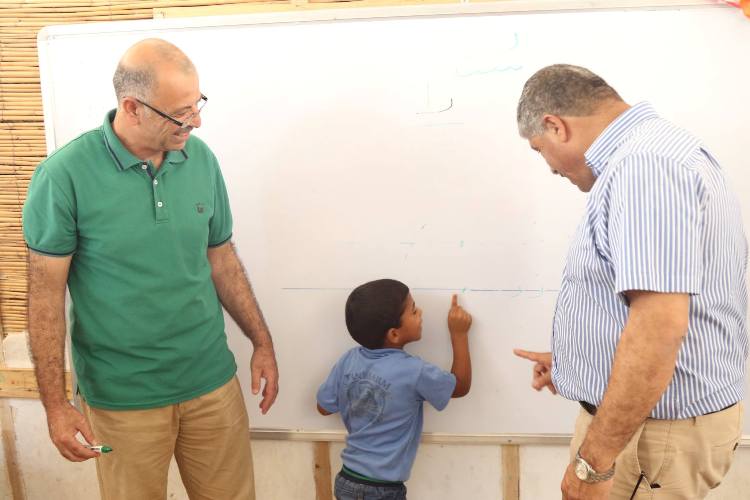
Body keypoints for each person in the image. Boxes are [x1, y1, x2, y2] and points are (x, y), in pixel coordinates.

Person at [22, 38, 278, 500]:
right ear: (132, 107)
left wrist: (262, 341)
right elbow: (45, 298)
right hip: (122, 401)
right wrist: (56, 406)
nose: (195, 121)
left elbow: (221, 259)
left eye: (197, 104)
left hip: (211, 382)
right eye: (180, 112)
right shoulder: (64, 176)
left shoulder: (201, 159)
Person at [513, 64, 748, 500]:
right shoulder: (659, 151)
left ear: (555, 126)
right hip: (653, 431)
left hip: (648, 438)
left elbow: (658, 328)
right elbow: (664, 311)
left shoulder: (644, 167)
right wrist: (583, 356)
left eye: (539, 149)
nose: (550, 168)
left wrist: (592, 465)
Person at [317, 279, 472, 500]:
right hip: (383, 490)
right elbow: (460, 386)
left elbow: (323, 408)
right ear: (394, 334)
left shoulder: (349, 359)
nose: (421, 312)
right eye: (413, 310)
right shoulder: (414, 371)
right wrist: (459, 334)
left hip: (347, 480)